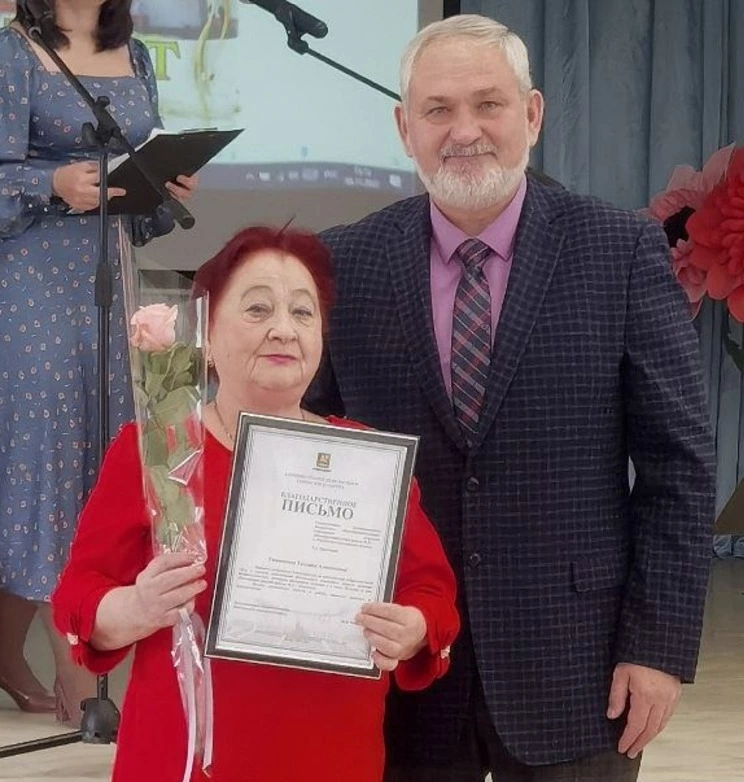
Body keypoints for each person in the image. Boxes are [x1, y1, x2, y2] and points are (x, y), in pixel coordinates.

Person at [309, 13, 717, 782]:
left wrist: (658, 648)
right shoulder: (345, 262)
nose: (464, 131)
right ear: (404, 128)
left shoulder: (620, 251)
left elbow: (679, 467)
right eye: (438, 109)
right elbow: (311, 449)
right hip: (399, 668)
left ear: (531, 114)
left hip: (580, 666)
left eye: (488, 104)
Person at [51, 225, 460, 781]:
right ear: (208, 332)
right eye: (258, 309)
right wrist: (137, 607)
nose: (283, 329)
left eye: (303, 312)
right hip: (184, 759)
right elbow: (78, 599)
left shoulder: (366, 461)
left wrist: (412, 627)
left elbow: (432, 594)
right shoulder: (162, 449)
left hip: (331, 757)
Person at [0, 0, 197, 725]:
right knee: (48, 461)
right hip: (29, 282)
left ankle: (11, 651)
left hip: (109, 280)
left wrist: (160, 188)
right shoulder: (13, 51)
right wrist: (50, 185)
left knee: (101, 456)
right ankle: (79, 668)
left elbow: (139, 205)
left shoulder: (136, 53)